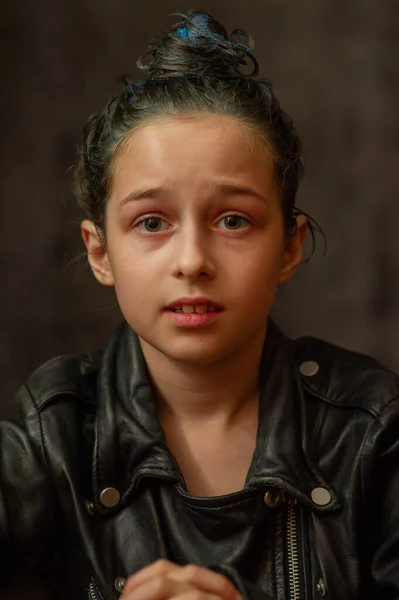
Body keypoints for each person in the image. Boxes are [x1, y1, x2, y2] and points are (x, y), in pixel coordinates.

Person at [1, 10, 399, 600]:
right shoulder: (54, 434)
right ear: (100, 251)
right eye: (152, 221)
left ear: (289, 247)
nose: (192, 260)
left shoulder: (370, 427)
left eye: (233, 219)